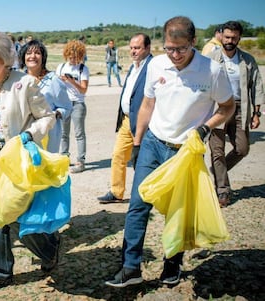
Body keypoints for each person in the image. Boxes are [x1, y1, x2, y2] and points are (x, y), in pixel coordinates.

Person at [105, 16, 235, 288]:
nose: (175, 55)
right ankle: (130, 267)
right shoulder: (156, 65)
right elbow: (147, 106)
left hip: (185, 152)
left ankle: (172, 263)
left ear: (193, 42)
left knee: (177, 212)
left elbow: (227, 107)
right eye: (169, 49)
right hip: (153, 143)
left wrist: (205, 128)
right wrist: (138, 143)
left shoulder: (211, 71)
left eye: (181, 49)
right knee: (137, 205)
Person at [0, 31, 59, 292]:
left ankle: (49, 248)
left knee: (20, 215)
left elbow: (48, 117)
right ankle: (0, 270)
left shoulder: (25, 84)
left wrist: (29, 134)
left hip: (17, 159)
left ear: (6, 60)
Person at [207, 21, 265, 207]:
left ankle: (217, 171)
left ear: (239, 37)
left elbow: (256, 85)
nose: (230, 40)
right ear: (221, 36)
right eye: (227, 37)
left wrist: (257, 113)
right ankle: (222, 190)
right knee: (217, 151)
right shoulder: (211, 58)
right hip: (217, 108)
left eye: (234, 37)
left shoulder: (247, 60)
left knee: (242, 149)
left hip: (240, 107)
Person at [97, 33, 152, 204]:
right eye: (131, 48)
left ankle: (148, 194)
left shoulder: (152, 67)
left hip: (144, 122)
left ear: (148, 48)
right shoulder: (133, 67)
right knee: (118, 155)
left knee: (142, 160)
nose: (133, 51)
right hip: (126, 121)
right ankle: (116, 191)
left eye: (137, 48)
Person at [19, 39, 72, 152]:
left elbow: (67, 107)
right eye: (28, 53)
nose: (32, 56)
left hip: (47, 135)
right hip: (23, 133)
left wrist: (56, 113)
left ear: (43, 58)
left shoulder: (53, 80)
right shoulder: (19, 80)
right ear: (23, 57)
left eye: (37, 53)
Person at [56, 39, 90, 173]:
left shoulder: (83, 69)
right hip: (64, 104)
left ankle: (81, 161)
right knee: (63, 133)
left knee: (79, 133)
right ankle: (64, 158)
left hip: (78, 104)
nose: (73, 60)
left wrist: (71, 81)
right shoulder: (61, 67)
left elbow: (83, 89)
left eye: (76, 57)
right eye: (71, 57)